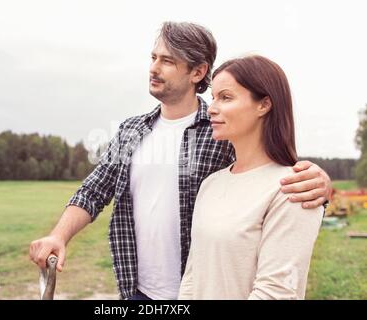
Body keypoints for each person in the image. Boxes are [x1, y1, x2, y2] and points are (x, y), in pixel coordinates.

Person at [29, 22, 331, 300]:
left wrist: (318, 181)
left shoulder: (221, 132)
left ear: (198, 72)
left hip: (210, 288)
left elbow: (265, 171)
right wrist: (59, 234)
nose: (154, 68)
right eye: (153, 58)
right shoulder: (131, 131)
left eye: (167, 61)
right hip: (138, 291)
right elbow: (94, 191)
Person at [178, 55, 323, 300]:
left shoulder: (293, 189)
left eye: (225, 97)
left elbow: (276, 293)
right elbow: (193, 277)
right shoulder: (211, 185)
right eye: (213, 98)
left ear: (264, 105)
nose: (211, 108)